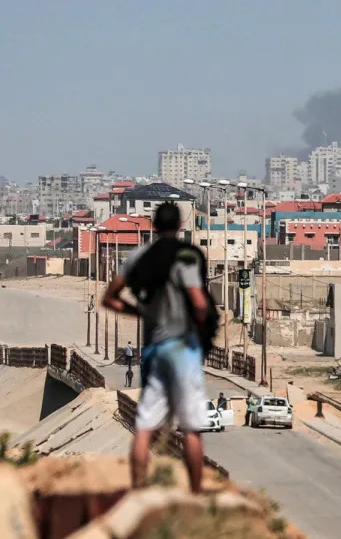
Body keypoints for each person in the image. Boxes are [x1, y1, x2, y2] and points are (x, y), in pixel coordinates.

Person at [101, 202, 211, 494]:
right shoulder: (184, 257)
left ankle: (138, 490)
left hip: (153, 347)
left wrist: (140, 313)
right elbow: (199, 303)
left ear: (153, 225)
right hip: (181, 345)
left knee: (145, 426)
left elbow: (110, 297)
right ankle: (196, 494)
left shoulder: (139, 256)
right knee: (191, 427)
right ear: (180, 226)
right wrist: (200, 330)